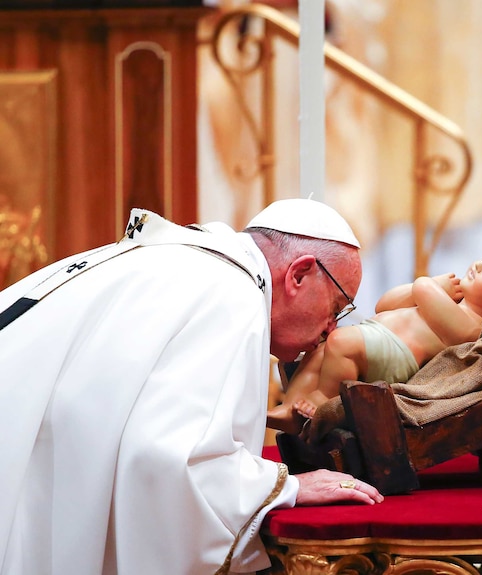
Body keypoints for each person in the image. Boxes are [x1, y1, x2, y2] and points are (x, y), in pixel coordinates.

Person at [0, 198, 383, 575]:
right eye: (337, 307)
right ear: (299, 274)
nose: (332, 328)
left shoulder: (190, 264)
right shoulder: (231, 294)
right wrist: (289, 487)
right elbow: (166, 457)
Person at [266, 243, 482, 434]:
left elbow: (423, 292)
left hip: (396, 357)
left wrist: (430, 284)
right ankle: (290, 406)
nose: (480, 266)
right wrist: (429, 289)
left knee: (340, 343)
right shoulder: (451, 299)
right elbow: (384, 305)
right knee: (319, 352)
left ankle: (321, 399)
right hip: (374, 336)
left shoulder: (472, 325)